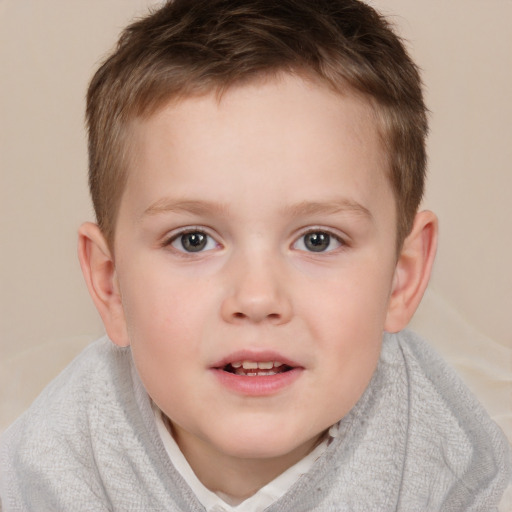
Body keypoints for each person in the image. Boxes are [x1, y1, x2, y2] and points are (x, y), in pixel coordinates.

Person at [1, 0, 510, 510]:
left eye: (318, 239)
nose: (258, 297)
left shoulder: (456, 467)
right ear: (111, 285)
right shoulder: (51, 468)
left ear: (403, 278)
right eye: (193, 240)